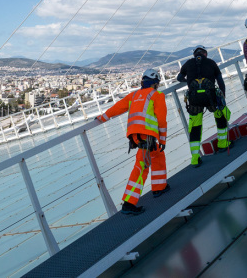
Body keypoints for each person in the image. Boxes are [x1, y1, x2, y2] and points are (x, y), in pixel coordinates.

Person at [96, 68, 169, 215]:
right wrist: (162, 139)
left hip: (135, 135)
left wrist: (103, 117)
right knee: (141, 166)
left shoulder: (134, 95)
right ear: (155, 83)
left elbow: (118, 107)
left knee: (157, 155)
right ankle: (129, 203)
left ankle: (159, 187)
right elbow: (161, 120)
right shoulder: (157, 95)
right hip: (147, 135)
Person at [177, 45, 230, 167]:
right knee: (220, 117)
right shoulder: (211, 62)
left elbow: (179, 78)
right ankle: (222, 144)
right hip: (211, 97)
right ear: (205, 53)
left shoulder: (188, 63)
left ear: (194, 54)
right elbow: (220, 81)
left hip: (194, 99)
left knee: (195, 127)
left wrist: (189, 81)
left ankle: (195, 158)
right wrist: (223, 94)